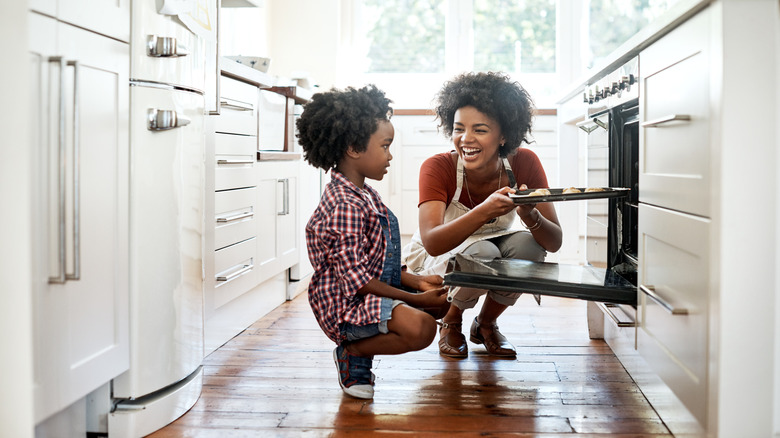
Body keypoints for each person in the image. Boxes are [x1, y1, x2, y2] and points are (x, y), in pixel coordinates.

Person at [297, 84, 449, 399]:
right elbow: (356, 279)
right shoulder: (345, 204)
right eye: (385, 146)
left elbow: (375, 261)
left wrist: (417, 282)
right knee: (423, 328)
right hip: (345, 305)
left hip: (366, 290)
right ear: (353, 147)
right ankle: (353, 355)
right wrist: (415, 300)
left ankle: (363, 347)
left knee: (441, 303)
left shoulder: (363, 193)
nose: (390, 155)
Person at [402, 72, 563, 359]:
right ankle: (451, 320)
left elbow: (553, 242)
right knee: (481, 250)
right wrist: (484, 209)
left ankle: (485, 324)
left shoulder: (524, 162)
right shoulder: (437, 167)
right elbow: (433, 242)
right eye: (458, 128)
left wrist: (530, 215)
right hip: (441, 252)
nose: (465, 139)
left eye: (480, 129)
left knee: (529, 246)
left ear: (504, 135)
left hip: (496, 241)